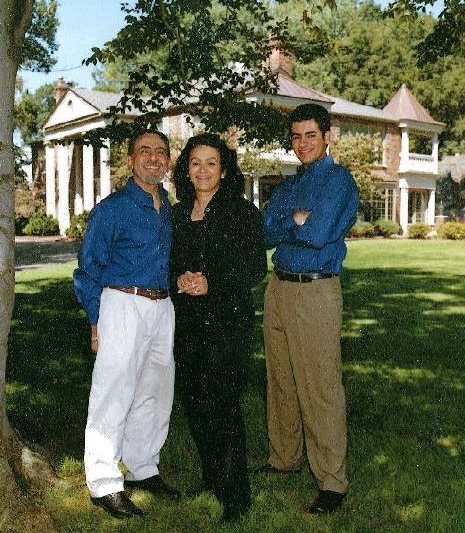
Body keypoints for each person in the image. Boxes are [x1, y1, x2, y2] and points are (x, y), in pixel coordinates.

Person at [258, 104, 359, 514]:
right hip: (278, 289)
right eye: (296, 136)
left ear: (327, 135)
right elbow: (264, 232)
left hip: (315, 292)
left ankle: (331, 482)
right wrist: (292, 220)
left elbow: (317, 234)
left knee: (319, 386)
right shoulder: (288, 184)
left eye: (310, 136)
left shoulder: (339, 182)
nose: (302, 144)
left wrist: (299, 223)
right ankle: (283, 459)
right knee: (280, 381)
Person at [74, 130, 179, 519]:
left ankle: (143, 467)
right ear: (131, 159)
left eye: (160, 152)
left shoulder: (168, 206)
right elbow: (88, 269)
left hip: (161, 306)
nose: (153, 158)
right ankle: (103, 483)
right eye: (144, 151)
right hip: (121, 302)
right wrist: (96, 320)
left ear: (168, 160)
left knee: (154, 391)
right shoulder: (113, 208)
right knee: (113, 391)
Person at [170, 133, 267, 522]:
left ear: (224, 171)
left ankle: (236, 495)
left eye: (211, 163)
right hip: (187, 321)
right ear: (186, 170)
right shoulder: (177, 215)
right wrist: (179, 278)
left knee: (223, 402)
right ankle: (212, 477)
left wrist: (212, 282)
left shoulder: (243, 214)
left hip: (226, 319)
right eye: (196, 163)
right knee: (194, 400)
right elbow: (170, 260)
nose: (203, 170)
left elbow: (255, 268)